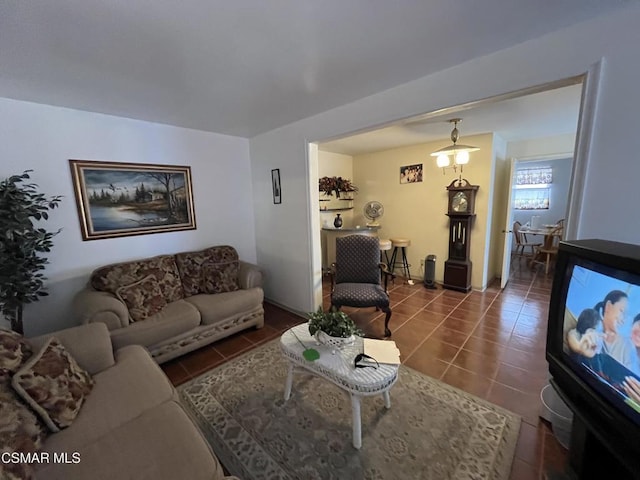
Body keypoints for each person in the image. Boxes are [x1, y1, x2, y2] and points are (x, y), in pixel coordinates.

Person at [596, 290, 639, 374]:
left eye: (626, 316)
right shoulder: (593, 328)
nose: (623, 320)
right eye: (622, 311)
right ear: (608, 306)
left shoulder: (627, 346)